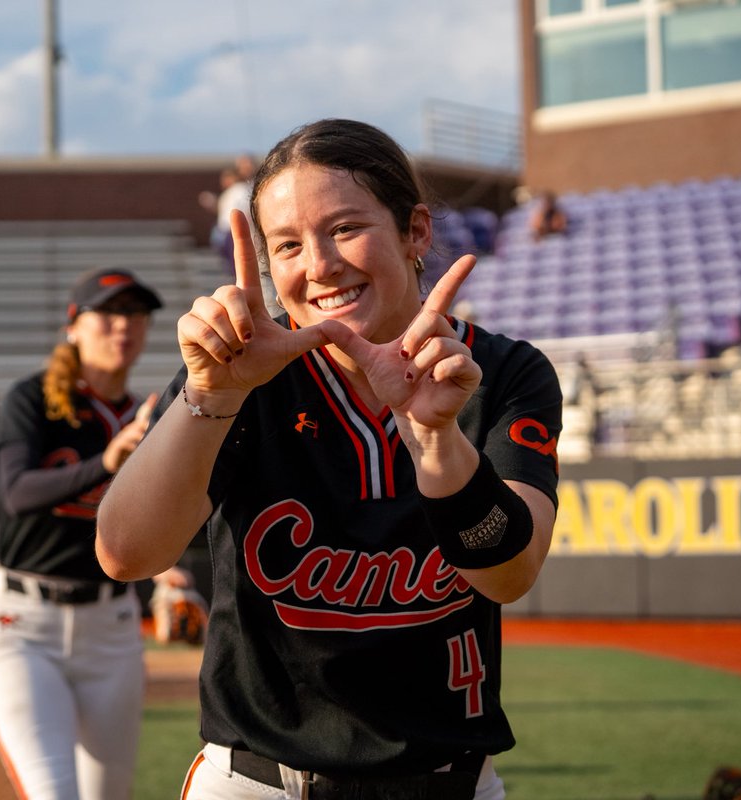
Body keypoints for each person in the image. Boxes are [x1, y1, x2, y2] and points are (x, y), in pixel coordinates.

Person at [96, 118, 563, 800]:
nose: (319, 266)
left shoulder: (500, 372)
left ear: (416, 232)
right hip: (259, 783)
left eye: (345, 229)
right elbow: (125, 555)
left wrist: (436, 439)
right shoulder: (237, 371)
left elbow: (509, 574)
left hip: (447, 782)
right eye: (287, 245)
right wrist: (211, 396)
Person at [0, 267, 189, 800]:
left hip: (112, 628)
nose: (124, 325)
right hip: (23, 623)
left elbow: (167, 513)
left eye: (135, 314)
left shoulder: (150, 415)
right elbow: (16, 493)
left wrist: (170, 574)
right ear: (73, 326)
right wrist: (106, 462)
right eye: (109, 313)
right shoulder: (33, 399)